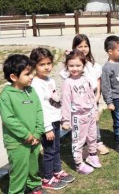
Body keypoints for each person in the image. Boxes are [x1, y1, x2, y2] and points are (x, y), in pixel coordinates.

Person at [0, 54, 44, 194]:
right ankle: (17, 191)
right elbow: (9, 119)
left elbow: (39, 111)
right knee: (19, 171)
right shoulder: (6, 95)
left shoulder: (31, 90)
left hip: (34, 139)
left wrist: (37, 132)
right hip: (17, 143)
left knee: (33, 166)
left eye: (31, 73)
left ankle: (34, 186)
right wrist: (26, 134)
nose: (31, 77)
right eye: (27, 74)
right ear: (13, 77)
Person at [30, 48, 74, 190]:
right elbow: (40, 109)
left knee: (56, 148)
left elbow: (55, 100)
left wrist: (61, 116)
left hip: (55, 120)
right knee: (48, 151)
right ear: (34, 65)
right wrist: (47, 128)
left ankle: (57, 171)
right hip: (46, 123)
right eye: (42, 64)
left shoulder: (50, 80)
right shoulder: (36, 84)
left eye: (49, 63)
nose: (47, 67)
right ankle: (47, 178)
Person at [60, 34, 109, 155]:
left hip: (92, 97)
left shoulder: (93, 64)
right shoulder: (74, 63)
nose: (83, 49)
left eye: (86, 46)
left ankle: (97, 142)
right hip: (78, 99)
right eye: (80, 46)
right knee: (81, 122)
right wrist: (67, 57)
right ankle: (83, 145)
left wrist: (98, 95)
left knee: (94, 122)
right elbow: (66, 75)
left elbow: (98, 81)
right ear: (74, 47)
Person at [61, 50, 101, 175]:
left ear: (83, 65)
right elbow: (65, 102)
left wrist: (95, 110)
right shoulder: (67, 83)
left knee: (92, 136)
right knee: (78, 141)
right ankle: (79, 164)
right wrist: (66, 120)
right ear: (67, 66)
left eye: (78, 65)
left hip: (90, 114)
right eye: (71, 65)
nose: (75, 68)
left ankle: (92, 155)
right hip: (78, 117)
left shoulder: (85, 79)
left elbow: (91, 96)